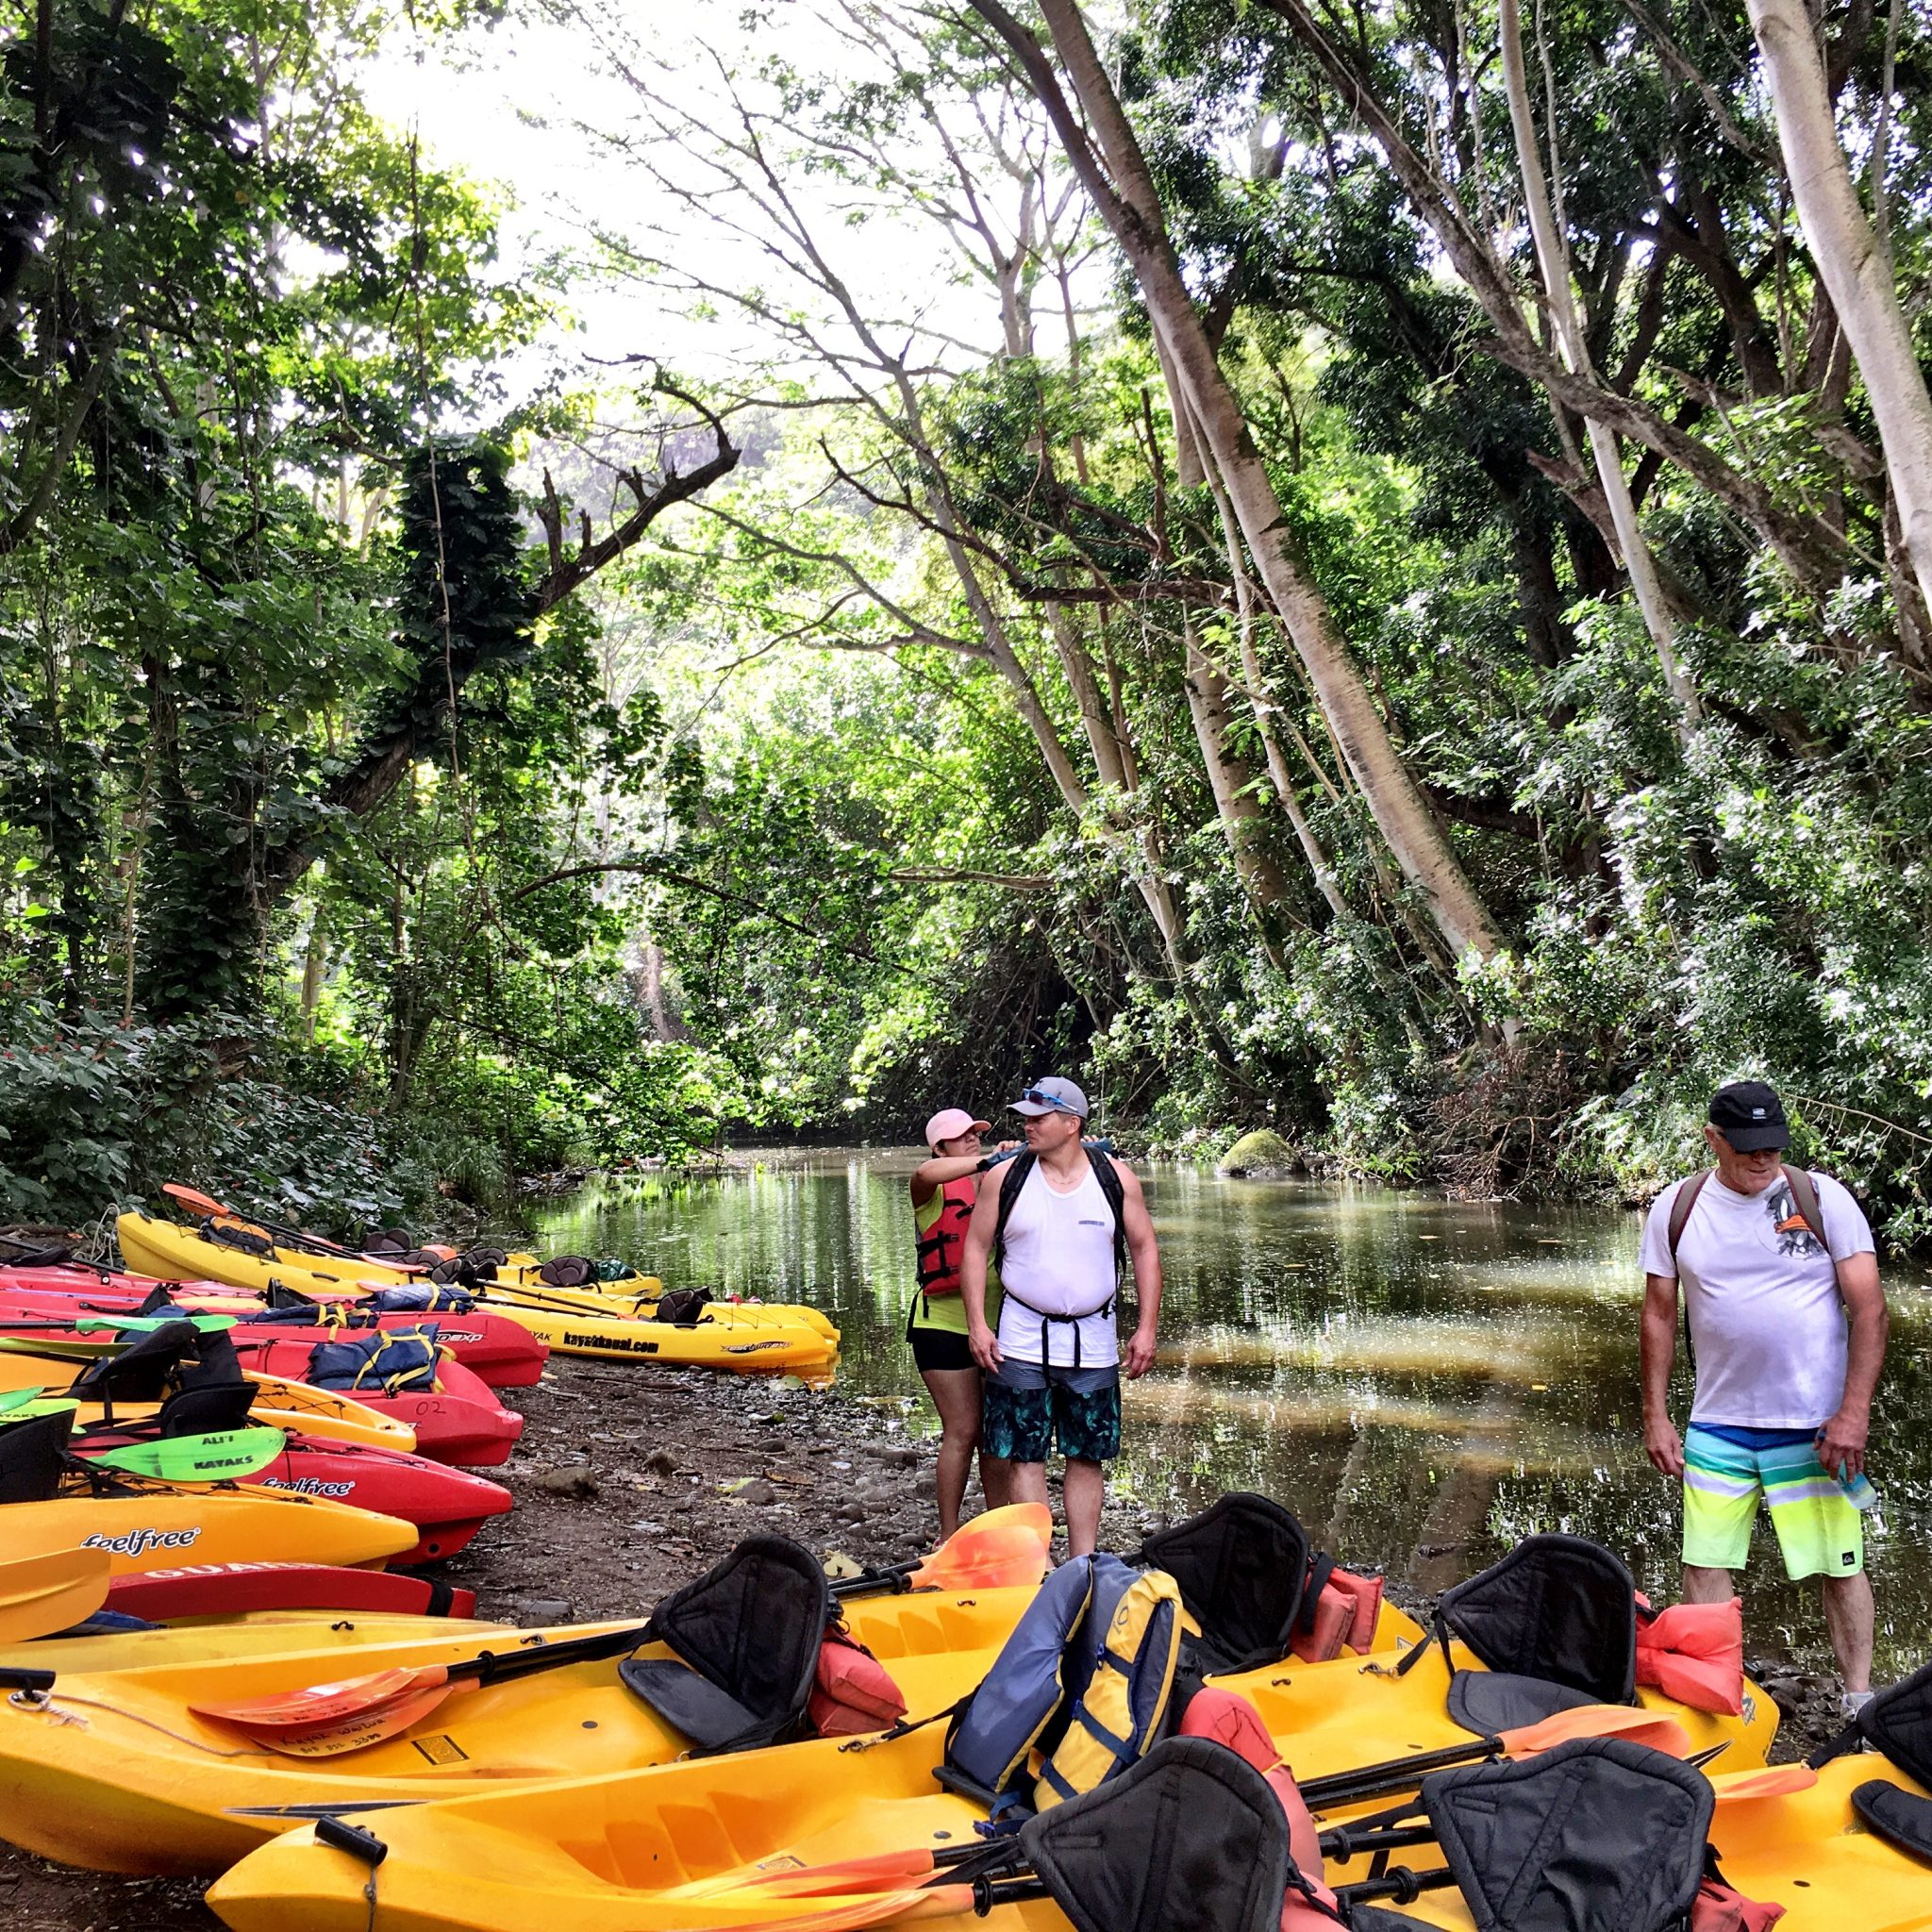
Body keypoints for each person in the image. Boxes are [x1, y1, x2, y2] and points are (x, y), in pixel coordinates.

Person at [1640, 1079, 1888, 1716]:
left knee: (1840, 1563)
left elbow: (1869, 1310)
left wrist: (1853, 1416)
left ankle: (1858, 1698)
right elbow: (1660, 1316)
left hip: (1815, 1427)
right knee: (1705, 1562)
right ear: (1713, 1140)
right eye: (1747, 1147)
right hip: (1718, 1423)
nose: (1763, 1159)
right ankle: (1715, 1693)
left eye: (1773, 1146)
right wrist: (1657, 1415)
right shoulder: (1679, 1208)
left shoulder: (1823, 1199)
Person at [959, 1075, 1162, 1557]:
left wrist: (1147, 1327)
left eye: (1039, 1118)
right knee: (1024, 1454)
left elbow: (1145, 1249)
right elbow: (974, 1247)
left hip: (1094, 1336)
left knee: (1087, 1454)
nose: (1027, 1126)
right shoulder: (1005, 1177)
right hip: (1020, 1335)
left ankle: (1082, 1562)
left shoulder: (1115, 1177)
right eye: (1025, 1118)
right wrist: (977, 1324)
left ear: (1072, 1124)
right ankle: (1037, 1564)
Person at [908, 1107, 1012, 1540]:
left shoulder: (996, 1180)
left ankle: (998, 1529)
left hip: (998, 1326)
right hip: (941, 1326)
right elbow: (924, 1172)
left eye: (976, 1133)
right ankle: (947, 1535)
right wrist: (989, 1160)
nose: (972, 1138)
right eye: (961, 1135)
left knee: (995, 1434)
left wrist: (1014, 1158)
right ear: (940, 1146)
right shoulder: (928, 1187)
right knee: (963, 1428)